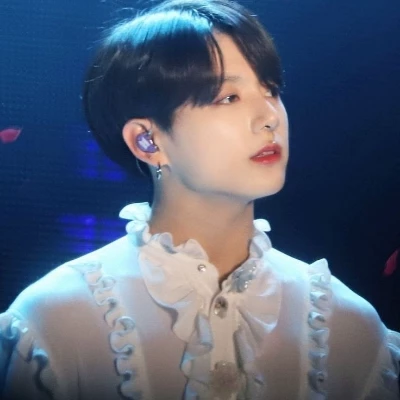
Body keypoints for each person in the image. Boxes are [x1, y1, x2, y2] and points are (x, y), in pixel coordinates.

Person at [0, 0, 399, 398]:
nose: (270, 116)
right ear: (147, 140)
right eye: (229, 97)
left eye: (271, 90)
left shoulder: (346, 326)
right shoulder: (57, 322)